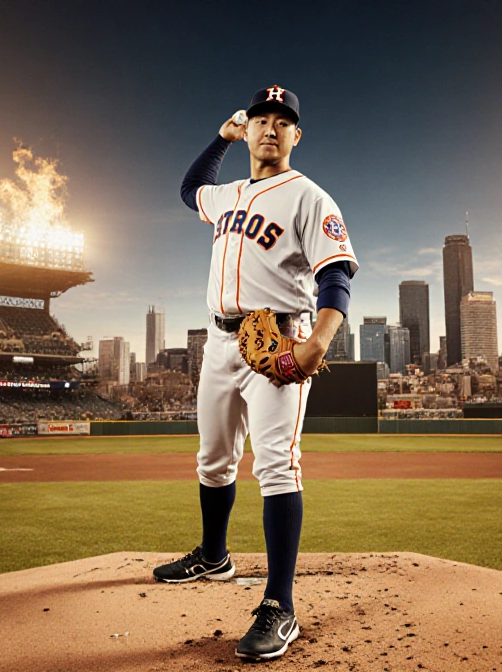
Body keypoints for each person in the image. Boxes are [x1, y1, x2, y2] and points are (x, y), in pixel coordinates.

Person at [152, 85, 359, 662]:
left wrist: (320, 339)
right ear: (249, 130)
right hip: (218, 341)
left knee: (275, 465)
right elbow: (189, 189)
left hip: (276, 342)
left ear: (296, 135)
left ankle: (280, 605)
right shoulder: (229, 195)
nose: (270, 128)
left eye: (282, 121)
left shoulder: (310, 197)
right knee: (213, 459)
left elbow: (336, 271)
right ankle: (213, 556)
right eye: (262, 119)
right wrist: (218, 138)